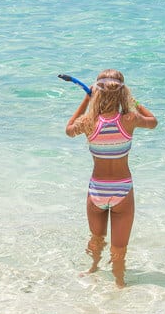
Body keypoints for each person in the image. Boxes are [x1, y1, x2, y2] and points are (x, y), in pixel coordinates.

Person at [65, 69, 157, 287]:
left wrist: (86, 101)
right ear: (122, 93)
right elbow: (153, 121)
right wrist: (132, 101)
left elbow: (69, 130)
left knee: (96, 239)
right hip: (122, 190)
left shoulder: (89, 123)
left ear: (97, 93)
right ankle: (119, 281)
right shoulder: (130, 119)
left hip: (97, 189)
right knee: (119, 247)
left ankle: (92, 268)